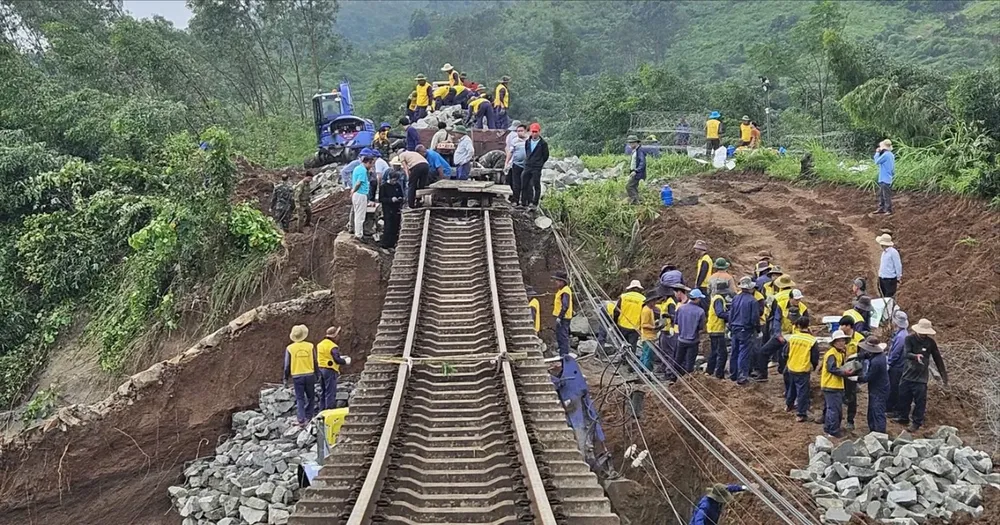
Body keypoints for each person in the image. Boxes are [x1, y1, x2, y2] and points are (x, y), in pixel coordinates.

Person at [896, 319, 948, 432]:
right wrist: (915, 356)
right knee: (904, 396)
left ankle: (916, 422)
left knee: (920, 401)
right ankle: (903, 417)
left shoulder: (930, 343)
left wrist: (944, 377)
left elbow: (938, 359)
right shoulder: (909, 339)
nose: (923, 335)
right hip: (908, 373)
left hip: (921, 376)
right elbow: (906, 353)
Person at [783, 316, 819, 422]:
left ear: (798, 325)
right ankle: (801, 413)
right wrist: (814, 366)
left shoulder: (793, 338)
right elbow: (815, 357)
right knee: (803, 391)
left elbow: (785, 353)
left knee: (792, 387)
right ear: (808, 326)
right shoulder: (812, 340)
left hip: (791, 366)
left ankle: (788, 405)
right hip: (803, 369)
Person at [821, 330, 855, 437]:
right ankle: (833, 431)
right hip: (831, 385)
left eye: (843, 340)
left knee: (832, 409)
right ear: (834, 342)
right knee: (834, 410)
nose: (842, 343)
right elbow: (832, 368)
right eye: (839, 341)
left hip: (834, 385)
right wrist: (844, 372)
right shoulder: (832, 354)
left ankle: (828, 428)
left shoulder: (839, 353)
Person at [284, 324, 318, 426]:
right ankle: (309, 416)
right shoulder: (310, 346)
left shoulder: (290, 348)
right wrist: (318, 374)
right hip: (309, 375)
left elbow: (287, 365)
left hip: (297, 376)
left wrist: (285, 378)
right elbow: (315, 361)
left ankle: (301, 419)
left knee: (300, 398)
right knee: (311, 397)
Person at [729, 277, 761, 384]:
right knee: (744, 352)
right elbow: (754, 318)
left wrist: (730, 327)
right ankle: (742, 376)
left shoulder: (735, 298)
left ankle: (733, 374)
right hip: (745, 329)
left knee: (734, 351)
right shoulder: (753, 301)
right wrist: (757, 329)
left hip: (735, 328)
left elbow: (731, 314)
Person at [838, 315, 865, 431]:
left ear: (848, 326)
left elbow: (863, 355)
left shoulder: (859, 339)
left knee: (852, 395)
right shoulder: (839, 336)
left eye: (842, 325)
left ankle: (850, 420)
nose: (840, 327)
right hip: (839, 369)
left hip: (852, 370)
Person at [858, 336, 889, 433]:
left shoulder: (876, 362)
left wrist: (857, 378)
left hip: (879, 390)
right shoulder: (880, 355)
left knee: (877, 411)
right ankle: (873, 430)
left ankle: (880, 434)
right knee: (872, 410)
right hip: (879, 387)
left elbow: (868, 377)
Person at [316, 326, 351, 411]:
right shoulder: (333, 346)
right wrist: (345, 361)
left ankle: (322, 410)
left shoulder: (320, 344)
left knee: (323, 391)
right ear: (334, 336)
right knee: (330, 392)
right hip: (330, 370)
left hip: (321, 369)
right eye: (338, 335)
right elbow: (336, 359)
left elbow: (326, 356)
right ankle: (329, 410)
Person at [675, 289, 707, 375]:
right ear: (697, 299)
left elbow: (676, 322)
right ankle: (688, 379)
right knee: (690, 364)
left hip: (681, 339)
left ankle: (674, 379)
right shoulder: (700, 311)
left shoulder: (681, 308)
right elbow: (701, 327)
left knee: (678, 361)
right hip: (693, 341)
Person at [886, 310, 909, 419]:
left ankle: (891, 409)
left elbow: (895, 353)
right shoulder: (902, 334)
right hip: (900, 365)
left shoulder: (901, 337)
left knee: (893, 387)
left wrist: (889, 363)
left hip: (897, 367)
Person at [705, 281, 730, 379]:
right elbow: (719, 313)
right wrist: (730, 316)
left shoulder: (715, 298)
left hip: (713, 328)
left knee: (714, 351)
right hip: (717, 329)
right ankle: (719, 374)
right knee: (722, 353)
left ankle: (709, 371)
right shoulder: (719, 299)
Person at [521, 123, 549, 209]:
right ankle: (524, 201)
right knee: (524, 183)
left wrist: (539, 163)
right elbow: (527, 151)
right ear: (530, 132)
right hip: (528, 165)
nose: (534, 134)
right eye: (532, 132)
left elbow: (546, 156)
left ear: (539, 132)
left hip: (537, 167)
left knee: (536, 184)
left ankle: (534, 202)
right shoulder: (527, 142)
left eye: (536, 132)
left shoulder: (543, 144)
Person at [612, 280, 646, 351]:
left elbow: (616, 311)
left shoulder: (623, 296)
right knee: (632, 347)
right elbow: (644, 315)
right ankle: (630, 360)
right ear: (639, 289)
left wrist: (614, 323)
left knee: (622, 345)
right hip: (634, 327)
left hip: (622, 325)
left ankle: (622, 359)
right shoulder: (643, 299)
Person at [379, 163, 404, 248]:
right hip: (387, 208)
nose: (394, 182)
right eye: (393, 180)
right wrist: (390, 200)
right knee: (388, 226)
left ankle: (393, 243)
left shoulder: (397, 185)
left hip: (396, 208)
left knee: (395, 226)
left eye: (396, 180)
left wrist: (399, 198)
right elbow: (381, 199)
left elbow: (401, 194)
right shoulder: (384, 186)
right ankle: (385, 243)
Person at [350, 155, 373, 240]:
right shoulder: (362, 170)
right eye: (371, 164)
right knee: (360, 216)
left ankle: (358, 232)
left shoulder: (357, 168)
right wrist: (353, 190)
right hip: (360, 194)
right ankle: (359, 234)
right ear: (367, 163)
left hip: (358, 194)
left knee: (357, 214)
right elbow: (359, 182)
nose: (371, 167)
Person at [505, 121, 527, 204]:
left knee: (526, 183)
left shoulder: (529, 141)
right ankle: (516, 200)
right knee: (516, 183)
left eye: (521, 131)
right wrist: (507, 162)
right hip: (516, 164)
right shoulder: (514, 140)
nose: (519, 132)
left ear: (525, 131)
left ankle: (525, 201)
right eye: (518, 131)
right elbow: (510, 151)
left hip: (527, 165)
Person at [552, 271, 574, 356]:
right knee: (560, 338)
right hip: (562, 318)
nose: (556, 282)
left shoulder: (565, 291)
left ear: (562, 281)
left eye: (557, 280)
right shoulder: (561, 291)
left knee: (563, 338)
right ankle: (562, 356)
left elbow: (565, 305)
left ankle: (564, 357)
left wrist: (560, 317)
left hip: (563, 319)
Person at [639, 295, 661, 370]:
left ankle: (641, 370)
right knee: (648, 356)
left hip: (649, 336)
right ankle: (647, 372)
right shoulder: (646, 311)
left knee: (645, 354)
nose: (655, 303)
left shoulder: (649, 309)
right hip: (648, 336)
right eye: (654, 301)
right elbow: (643, 324)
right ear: (650, 302)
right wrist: (654, 327)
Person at [876, 233, 902, 299]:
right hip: (882, 278)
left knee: (889, 298)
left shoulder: (893, 252)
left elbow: (898, 265)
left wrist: (898, 278)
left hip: (890, 279)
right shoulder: (884, 252)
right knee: (882, 297)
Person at [874, 139, 895, 215]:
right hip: (887, 177)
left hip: (884, 177)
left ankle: (888, 210)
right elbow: (892, 168)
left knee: (885, 195)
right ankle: (882, 208)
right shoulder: (891, 155)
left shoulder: (885, 155)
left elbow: (877, 162)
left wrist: (877, 153)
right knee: (882, 194)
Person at [625, 135, 647, 205]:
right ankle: (639, 201)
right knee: (634, 187)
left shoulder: (640, 151)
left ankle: (635, 202)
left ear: (635, 143)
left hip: (637, 173)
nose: (630, 145)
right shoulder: (636, 150)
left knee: (629, 186)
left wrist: (636, 170)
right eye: (629, 143)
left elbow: (642, 162)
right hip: (635, 172)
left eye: (631, 143)